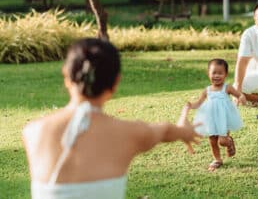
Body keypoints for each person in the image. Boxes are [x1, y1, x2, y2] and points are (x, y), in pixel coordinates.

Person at [22, 38, 201, 199]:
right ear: (115, 82)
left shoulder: (32, 132)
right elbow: (164, 130)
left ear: (67, 76)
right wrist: (184, 131)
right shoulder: (131, 133)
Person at [187, 58, 246, 171]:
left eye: (220, 73)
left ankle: (229, 142)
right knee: (212, 140)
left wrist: (242, 97)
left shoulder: (227, 87)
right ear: (208, 73)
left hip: (223, 118)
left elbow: (238, 94)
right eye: (214, 73)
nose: (217, 76)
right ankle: (217, 159)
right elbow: (199, 103)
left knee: (222, 141)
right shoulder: (207, 90)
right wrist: (191, 105)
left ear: (226, 74)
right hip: (211, 119)